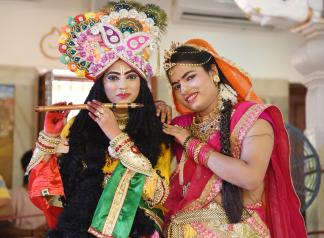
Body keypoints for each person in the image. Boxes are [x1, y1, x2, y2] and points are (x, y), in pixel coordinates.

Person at [26, 1, 171, 237]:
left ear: (142, 82)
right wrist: (50, 136)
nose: (122, 85)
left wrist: (116, 136)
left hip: (136, 227)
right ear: (101, 85)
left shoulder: (158, 126)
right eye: (112, 77)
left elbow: (158, 194)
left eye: (131, 76)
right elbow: (48, 191)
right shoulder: (78, 125)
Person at [162, 39, 307, 237]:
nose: (184, 90)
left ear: (213, 72)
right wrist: (154, 107)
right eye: (177, 86)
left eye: (190, 77)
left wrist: (191, 144)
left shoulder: (251, 118)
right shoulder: (180, 126)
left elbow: (250, 177)